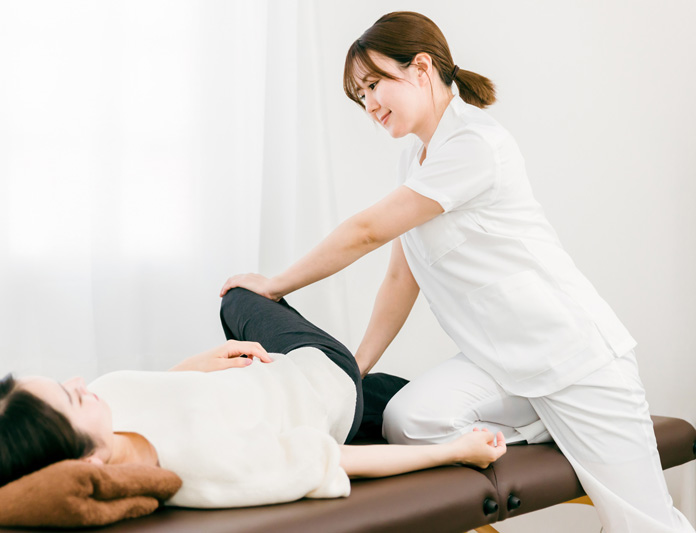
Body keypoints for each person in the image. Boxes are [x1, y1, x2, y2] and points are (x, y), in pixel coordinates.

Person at [220, 11, 694, 532]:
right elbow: (401, 279)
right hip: (501, 363)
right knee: (409, 421)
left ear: (422, 68)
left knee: (643, 525)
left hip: (575, 360)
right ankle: (547, 422)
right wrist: (356, 369)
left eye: (374, 84)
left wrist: (276, 284)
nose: (369, 104)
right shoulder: (414, 161)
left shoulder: (474, 144)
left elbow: (366, 231)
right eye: (360, 95)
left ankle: (566, 423)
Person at [0, 288, 505, 508]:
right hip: (322, 376)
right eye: (71, 399)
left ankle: (384, 395)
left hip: (258, 377)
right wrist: (455, 452)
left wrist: (204, 362)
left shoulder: (105, 401)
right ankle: (364, 388)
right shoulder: (206, 468)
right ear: (86, 462)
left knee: (394, 400)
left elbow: (162, 391)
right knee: (238, 295)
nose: (78, 382)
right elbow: (336, 460)